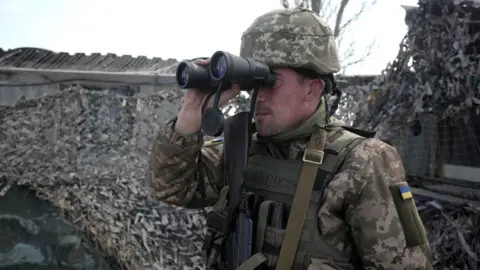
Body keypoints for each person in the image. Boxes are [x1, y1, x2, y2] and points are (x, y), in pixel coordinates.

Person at [148, 7, 433, 270]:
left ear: (312, 89)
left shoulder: (363, 162)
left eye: (270, 81)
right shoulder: (242, 150)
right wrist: (191, 114)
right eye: (253, 83)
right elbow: (171, 188)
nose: (257, 96)